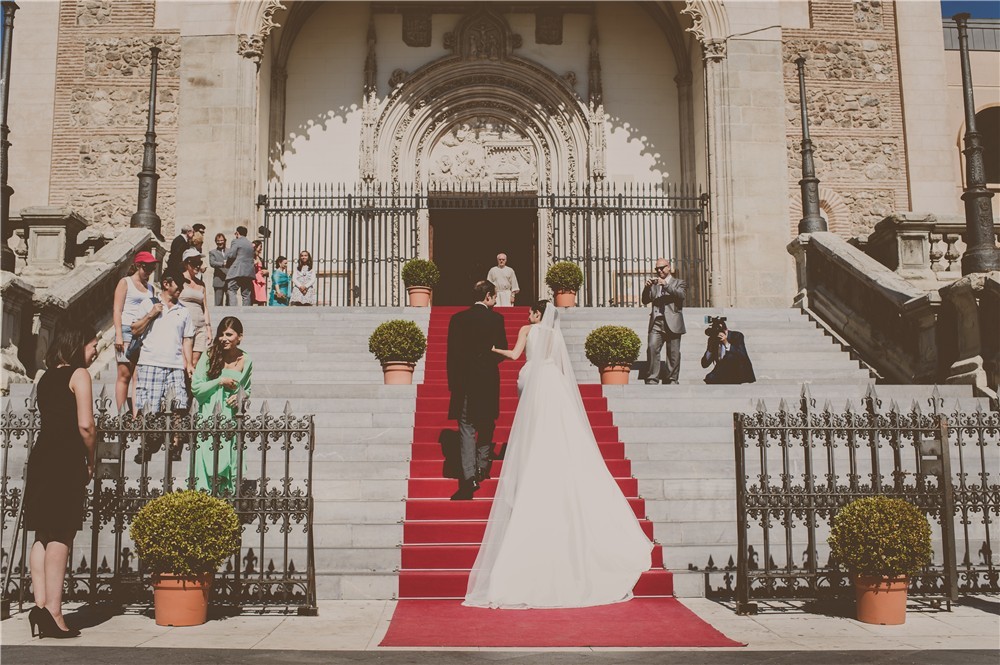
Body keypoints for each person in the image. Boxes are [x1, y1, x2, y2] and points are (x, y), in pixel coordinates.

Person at [464, 300, 652, 608]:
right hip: (553, 382)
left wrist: (494, 349)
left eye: (530, 312)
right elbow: (562, 367)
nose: (527, 315)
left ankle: (533, 467)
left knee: (532, 425)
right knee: (559, 426)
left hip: (533, 379)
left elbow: (515, 355)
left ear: (537, 314)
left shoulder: (528, 330)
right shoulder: (554, 335)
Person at [23, 318, 98, 638]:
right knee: (61, 533)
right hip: (66, 458)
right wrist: (92, 459)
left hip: (42, 457)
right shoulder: (79, 374)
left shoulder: (45, 377)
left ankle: (39, 605)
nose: (96, 351)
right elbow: (86, 425)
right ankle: (54, 611)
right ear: (79, 345)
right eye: (93, 345)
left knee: (41, 533)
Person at [446, 280, 508, 501]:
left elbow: (452, 356)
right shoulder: (496, 319)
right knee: (487, 422)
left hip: (465, 381)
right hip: (487, 379)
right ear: (488, 296)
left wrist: (454, 383)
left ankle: (469, 477)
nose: (496, 300)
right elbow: (501, 350)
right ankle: (482, 467)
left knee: (466, 426)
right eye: (495, 296)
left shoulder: (458, 319)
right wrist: (486, 364)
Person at [131, 275, 195, 461]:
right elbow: (135, 329)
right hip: (150, 362)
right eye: (178, 285)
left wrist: (189, 363)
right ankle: (145, 443)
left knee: (178, 406)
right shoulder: (148, 304)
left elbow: (187, 339)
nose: (180, 289)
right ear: (166, 284)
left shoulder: (183, 311)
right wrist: (151, 314)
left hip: (175, 364)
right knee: (148, 406)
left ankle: (175, 444)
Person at [191, 317, 253, 495]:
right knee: (207, 456)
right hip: (209, 413)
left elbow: (247, 390)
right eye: (221, 334)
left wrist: (239, 397)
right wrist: (220, 381)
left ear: (239, 337)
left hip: (231, 416)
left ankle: (227, 498)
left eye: (229, 334)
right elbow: (196, 387)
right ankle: (204, 497)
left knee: (229, 458)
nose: (224, 338)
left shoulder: (246, 360)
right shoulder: (210, 355)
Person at [112, 251, 158, 412]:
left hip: (143, 332)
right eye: (147, 267)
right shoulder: (125, 282)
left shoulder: (151, 288)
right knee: (124, 375)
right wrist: (118, 335)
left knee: (138, 376)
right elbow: (117, 310)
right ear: (138, 265)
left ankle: (135, 415)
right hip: (126, 330)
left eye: (152, 268)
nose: (149, 271)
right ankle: (121, 414)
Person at [641, 258, 687, 384]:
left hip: (673, 321)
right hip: (657, 321)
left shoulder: (679, 282)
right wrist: (647, 288)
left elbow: (681, 295)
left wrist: (665, 285)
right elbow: (645, 300)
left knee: (673, 353)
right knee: (652, 347)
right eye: (657, 269)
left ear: (669, 267)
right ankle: (652, 378)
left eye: (661, 268)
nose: (659, 271)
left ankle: (672, 379)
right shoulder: (654, 284)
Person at [178, 248, 212, 371]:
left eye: (199, 262)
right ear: (186, 263)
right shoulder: (179, 280)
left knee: (195, 362)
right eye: (194, 262)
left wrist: (208, 328)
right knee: (184, 363)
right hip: (184, 327)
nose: (198, 266)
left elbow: (205, 307)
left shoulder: (201, 284)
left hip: (200, 326)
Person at [701, 317, 756, 385]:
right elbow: (704, 364)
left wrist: (726, 343)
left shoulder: (737, 336)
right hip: (722, 371)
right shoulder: (713, 339)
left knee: (730, 356)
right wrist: (710, 349)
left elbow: (742, 356)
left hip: (736, 371)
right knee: (709, 378)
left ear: (726, 330)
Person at [225, 225, 255, 307]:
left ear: (237, 233)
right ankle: (246, 311)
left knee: (232, 289)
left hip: (237, 270)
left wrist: (226, 258)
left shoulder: (236, 241)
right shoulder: (250, 244)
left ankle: (234, 310)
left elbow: (231, 255)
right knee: (246, 293)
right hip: (248, 272)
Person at [208, 233, 229, 306]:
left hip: (229, 280)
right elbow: (212, 263)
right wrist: (222, 264)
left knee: (230, 304)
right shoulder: (213, 252)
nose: (220, 242)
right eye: (218, 241)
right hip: (218, 280)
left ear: (225, 241)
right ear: (216, 242)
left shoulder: (230, 251)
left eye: (221, 240)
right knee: (218, 304)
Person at [251, 240, 269, 306]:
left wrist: (266, 271)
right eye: (260, 246)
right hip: (253, 279)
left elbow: (264, 268)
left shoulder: (261, 259)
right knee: (253, 298)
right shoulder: (250, 258)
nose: (261, 248)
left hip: (260, 280)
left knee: (261, 299)